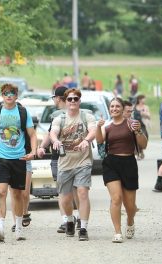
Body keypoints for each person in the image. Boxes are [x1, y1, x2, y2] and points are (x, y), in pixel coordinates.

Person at [0, 83, 37, 242]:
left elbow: (32, 134)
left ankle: (19, 228)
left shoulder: (23, 111)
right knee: (1, 192)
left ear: (16, 95)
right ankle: (0, 228)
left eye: (12, 93)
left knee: (18, 194)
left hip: (19, 158)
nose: (8, 96)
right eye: (6, 93)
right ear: (2, 95)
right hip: (1, 158)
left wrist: (33, 152)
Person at [96, 97, 147, 243]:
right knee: (116, 198)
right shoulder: (108, 127)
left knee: (130, 205)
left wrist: (138, 131)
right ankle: (117, 232)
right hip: (111, 163)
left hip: (129, 163)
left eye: (117, 106)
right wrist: (98, 127)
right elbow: (99, 140)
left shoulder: (131, 124)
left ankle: (130, 221)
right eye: (112, 106)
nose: (114, 109)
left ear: (123, 109)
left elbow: (143, 144)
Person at [50, 88, 96, 241]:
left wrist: (86, 140)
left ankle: (83, 228)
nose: (73, 102)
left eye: (76, 99)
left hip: (83, 161)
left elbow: (93, 130)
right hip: (65, 163)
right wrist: (55, 140)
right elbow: (53, 132)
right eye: (70, 99)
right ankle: (70, 219)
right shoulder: (60, 119)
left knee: (82, 193)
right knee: (65, 198)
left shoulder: (86, 116)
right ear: (66, 101)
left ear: (79, 101)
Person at [37, 86, 81, 233]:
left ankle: (66, 221)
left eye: (54, 98)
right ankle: (79, 219)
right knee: (77, 191)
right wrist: (43, 146)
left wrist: (42, 147)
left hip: (60, 158)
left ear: (58, 98)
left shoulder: (57, 115)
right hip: (76, 157)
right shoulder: (76, 114)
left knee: (62, 191)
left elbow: (50, 134)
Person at [134, 95, 150, 160]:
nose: (145, 100)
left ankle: (141, 151)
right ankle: (138, 153)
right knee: (136, 140)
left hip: (142, 125)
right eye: (144, 99)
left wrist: (143, 113)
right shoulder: (134, 107)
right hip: (135, 125)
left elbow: (149, 116)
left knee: (144, 138)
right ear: (139, 99)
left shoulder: (145, 107)